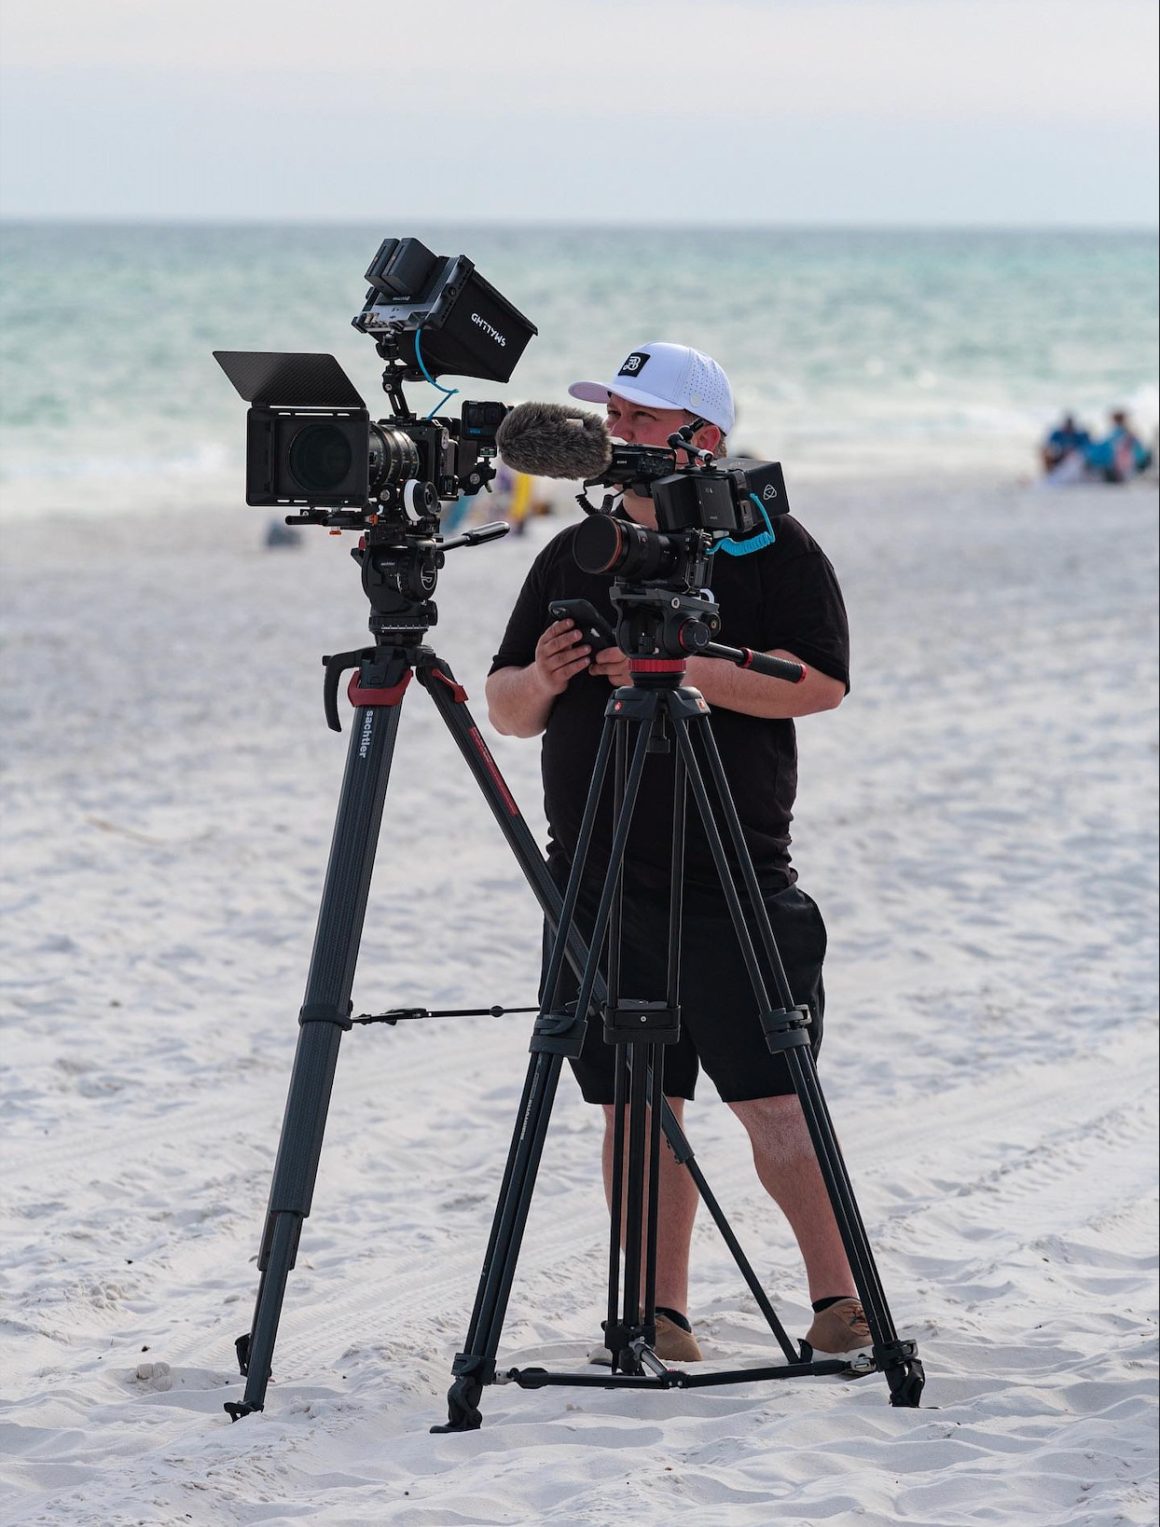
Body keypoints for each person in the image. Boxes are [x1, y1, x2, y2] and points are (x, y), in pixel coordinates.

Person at [486, 341, 872, 1365]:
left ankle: (841, 1302)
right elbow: (507, 711)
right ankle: (659, 1314)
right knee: (632, 1105)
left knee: (771, 1101)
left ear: (701, 438)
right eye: (612, 413)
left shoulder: (772, 547)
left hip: (732, 874)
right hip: (599, 878)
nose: (618, 433)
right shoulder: (576, 554)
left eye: (641, 417)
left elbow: (819, 683)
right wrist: (546, 673)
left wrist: (688, 665)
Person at [1085, 409, 1152, 483]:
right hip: (1126, 466)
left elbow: (1105, 448)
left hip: (1122, 466)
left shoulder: (1120, 434)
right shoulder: (1127, 433)